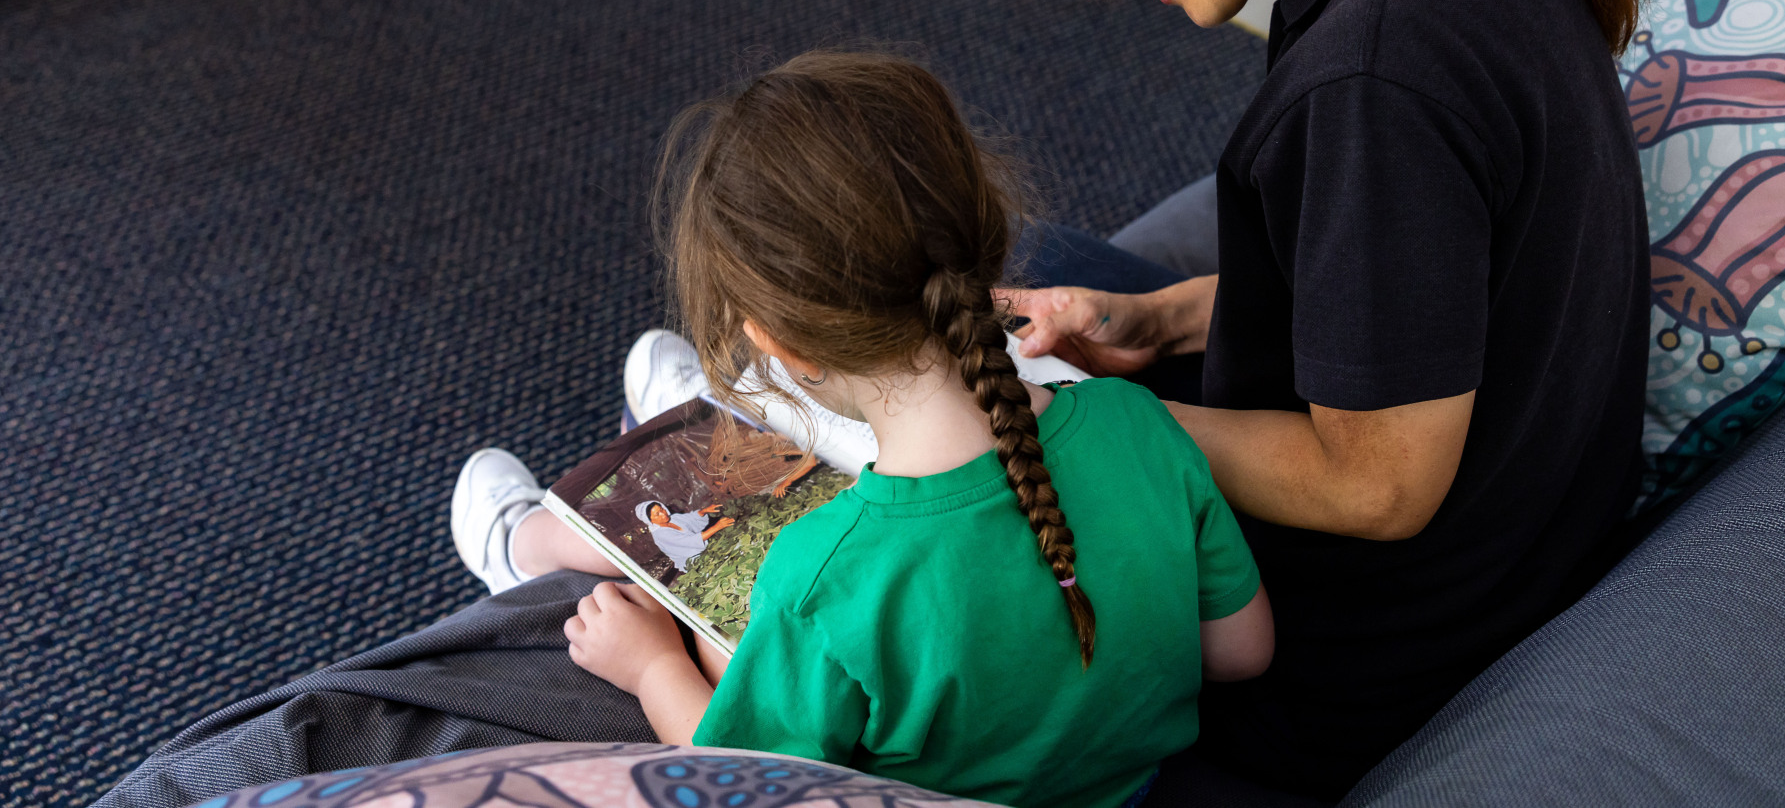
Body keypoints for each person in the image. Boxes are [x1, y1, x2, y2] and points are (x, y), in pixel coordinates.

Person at [984, 0, 1650, 799]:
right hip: (1514, 535)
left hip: (1365, 654)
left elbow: (1376, 482)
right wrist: (1167, 318)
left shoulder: (1374, 73)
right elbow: (1428, 280)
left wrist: (1087, 425)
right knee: (1028, 285)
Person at [461, 52, 1274, 808]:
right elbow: (1242, 652)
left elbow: (748, 789)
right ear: (985, 232)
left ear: (780, 344)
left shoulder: (822, 583)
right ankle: (590, 495)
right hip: (1137, 786)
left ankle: (534, 541)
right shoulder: (1140, 424)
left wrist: (651, 668)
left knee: (716, 647)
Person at [636, 500, 734, 571]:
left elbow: (691, 519)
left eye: (662, 509)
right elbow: (691, 541)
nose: (663, 514)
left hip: (705, 550)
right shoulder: (661, 535)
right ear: (650, 521)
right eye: (657, 514)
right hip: (694, 562)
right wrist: (717, 527)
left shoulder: (673, 518)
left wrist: (704, 511)